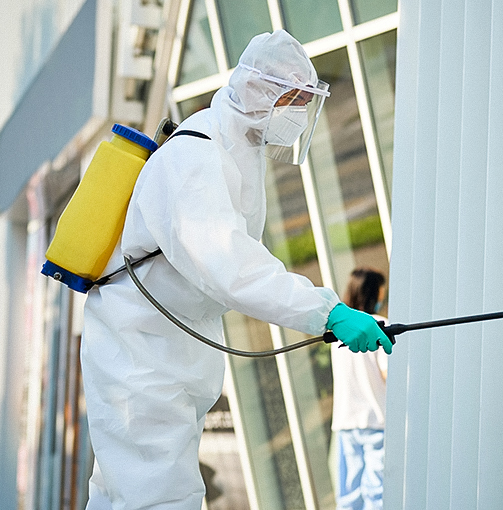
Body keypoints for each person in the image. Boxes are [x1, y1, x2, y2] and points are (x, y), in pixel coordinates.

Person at [80, 30, 392, 509]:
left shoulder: (234, 152)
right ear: (261, 91)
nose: (298, 114)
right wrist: (326, 311)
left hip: (165, 355)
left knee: (130, 497)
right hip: (139, 358)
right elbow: (232, 266)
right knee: (157, 498)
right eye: (294, 99)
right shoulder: (194, 156)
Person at [331, 267, 389, 510]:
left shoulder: (338, 332)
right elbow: (388, 374)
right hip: (375, 419)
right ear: (373, 293)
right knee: (377, 495)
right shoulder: (380, 325)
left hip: (346, 420)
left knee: (349, 495)